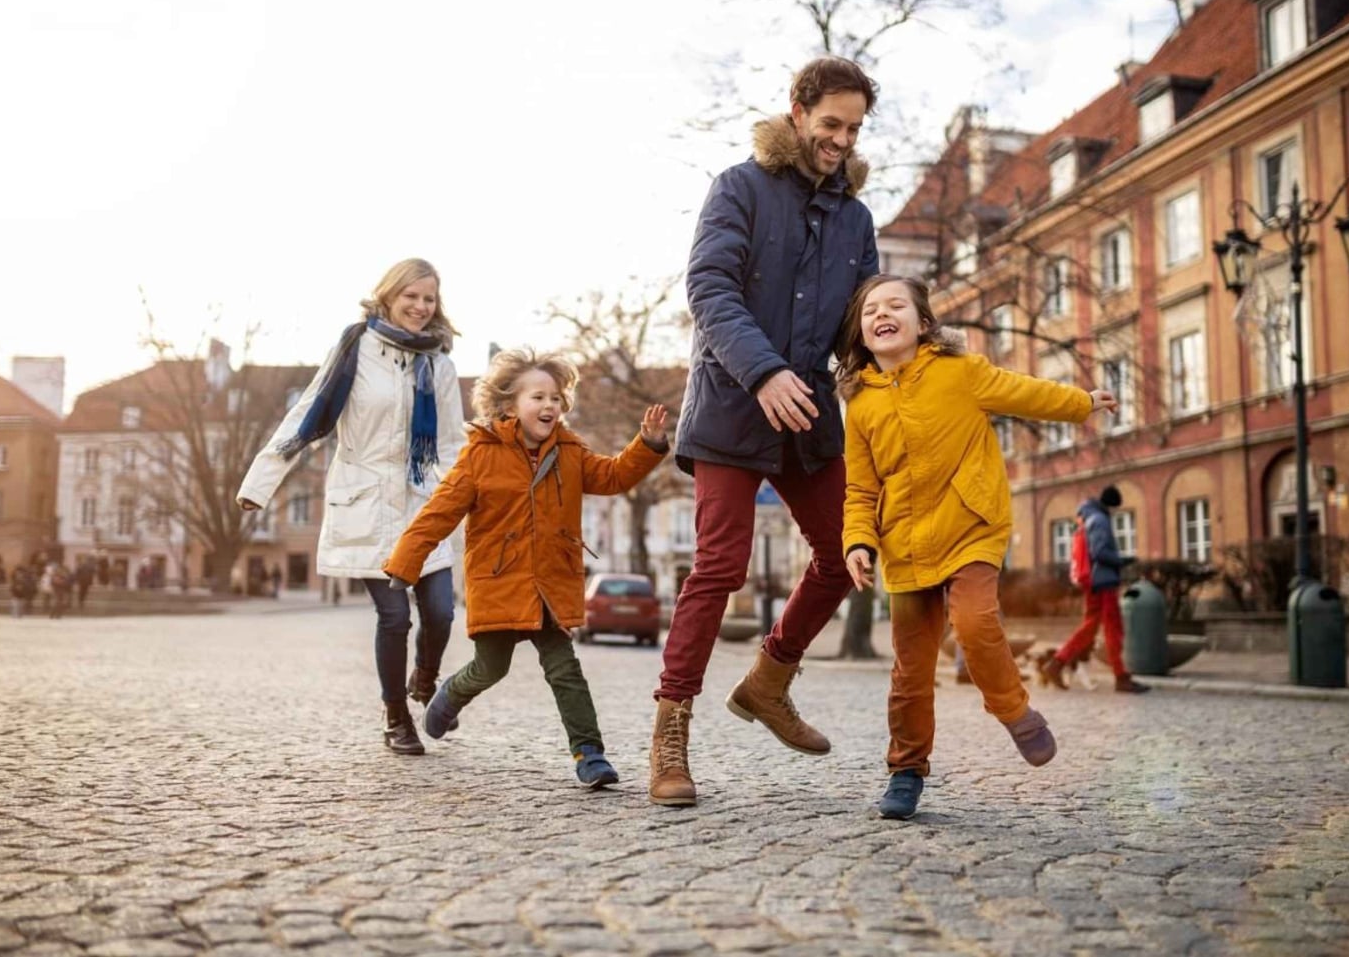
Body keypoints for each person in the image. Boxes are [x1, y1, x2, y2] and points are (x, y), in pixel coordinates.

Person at [650, 55, 881, 808]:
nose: (840, 141)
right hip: (731, 402)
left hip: (810, 412)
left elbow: (860, 326)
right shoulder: (739, 188)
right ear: (797, 112)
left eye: (852, 129)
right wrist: (763, 371)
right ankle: (670, 731)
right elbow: (708, 287)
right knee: (720, 565)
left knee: (845, 554)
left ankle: (769, 679)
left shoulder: (855, 216)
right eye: (830, 125)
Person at [837, 275, 1120, 820]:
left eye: (896, 305)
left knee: (973, 622)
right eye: (871, 310)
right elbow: (860, 486)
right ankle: (905, 771)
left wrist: (1080, 402)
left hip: (971, 524)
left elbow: (1024, 391)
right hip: (905, 543)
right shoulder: (861, 406)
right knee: (910, 671)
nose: (882, 313)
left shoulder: (960, 372)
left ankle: (1014, 711)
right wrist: (858, 540)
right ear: (862, 333)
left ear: (923, 325)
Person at [383, 349, 668, 789]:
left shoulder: (570, 451)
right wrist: (405, 566)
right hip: (499, 582)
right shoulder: (480, 455)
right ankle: (448, 696)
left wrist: (646, 445)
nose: (550, 405)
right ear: (508, 404)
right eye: (538, 396)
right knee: (490, 668)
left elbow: (612, 477)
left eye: (556, 397)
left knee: (564, 668)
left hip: (551, 583)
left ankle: (589, 753)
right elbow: (437, 515)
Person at [237, 258, 467, 756]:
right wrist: (261, 482)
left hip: (423, 505)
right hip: (365, 503)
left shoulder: (441, 364)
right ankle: (396, 717)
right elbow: (308, 413)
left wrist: (461, 501)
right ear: (387, 295)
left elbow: (451, 445)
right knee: (395, 618)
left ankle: (424, 675)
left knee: (442, 613)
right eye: (412, 296)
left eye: (429, 299)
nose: (420, 307)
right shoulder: (355, 349)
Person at [1037, 486, 1149, 694]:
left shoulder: (1088, 517)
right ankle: (1121, 677)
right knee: (1113, 630)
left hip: (1094, 582)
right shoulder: (1100, 520)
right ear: (1112, 505)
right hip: (1103, 582)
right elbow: (1099, 552)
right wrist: (1123, 560)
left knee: (1089, 628)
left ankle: (1056, 664)